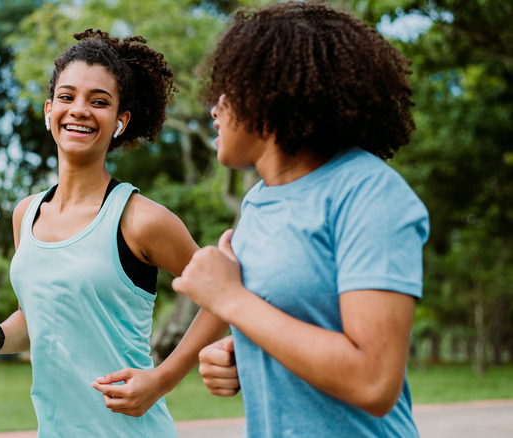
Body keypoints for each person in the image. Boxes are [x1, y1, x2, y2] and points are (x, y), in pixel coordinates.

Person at [171, 2, 430, 437]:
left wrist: (232, 301)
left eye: (226, 92)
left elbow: (373, 381)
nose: (212, 109)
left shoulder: (369, 193)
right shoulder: (255, 203)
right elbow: (289, 320)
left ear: (270, 93)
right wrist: (244, 356)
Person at [0, 29, 228, 437]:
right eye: (67, 97)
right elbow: (38, 318)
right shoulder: (25, 214)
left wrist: (162, 380)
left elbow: (224, 296)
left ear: (121, 121)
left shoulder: (139, 219)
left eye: (98, 101)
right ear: (49, 110)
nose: (79, 110)